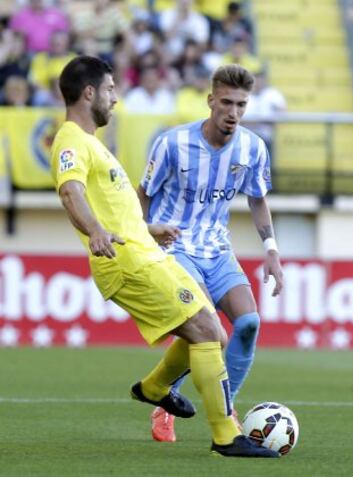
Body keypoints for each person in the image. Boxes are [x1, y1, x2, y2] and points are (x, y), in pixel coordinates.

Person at [50, 55, 279, 458]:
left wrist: (146, 229)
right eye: (109, 89)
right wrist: (97, 231)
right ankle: (226, 435)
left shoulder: (90, 143)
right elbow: (72, 192)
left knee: (214, 329)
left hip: (143, 248)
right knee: (209, 331)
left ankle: (156, 389)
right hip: (132, 261)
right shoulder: (71, 141)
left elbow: (114, 206)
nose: (115, 98)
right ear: (89, 93)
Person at [137, 63, 283, 443]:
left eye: (241, 105)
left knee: (248, 325)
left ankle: (222, 405)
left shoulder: (253, 147)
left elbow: (257, 200)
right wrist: (141, 239)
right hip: (176, 247)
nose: (233, 113)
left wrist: (271, 250)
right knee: (209, 332)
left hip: (218, 250)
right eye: (227, 103)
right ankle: (169, 401)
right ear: (210, 100)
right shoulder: (172, 143)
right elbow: (143, 195)